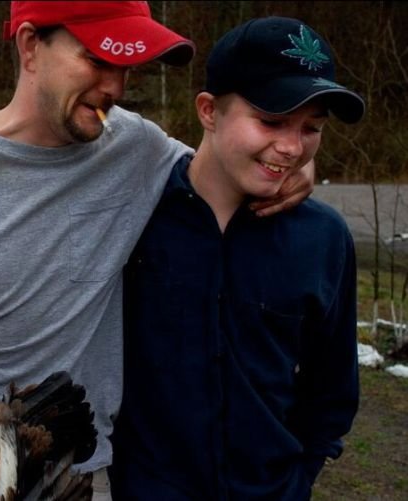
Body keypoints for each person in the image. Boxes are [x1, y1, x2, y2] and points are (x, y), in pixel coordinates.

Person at [0, 3, 313, 497]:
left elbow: (226, 162)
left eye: (125, 67)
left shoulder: (135, 148)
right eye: (97, 60)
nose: (116, 87)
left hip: (76, 475)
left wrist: (289, 166)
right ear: (31, 46)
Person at [110, 16, 363, 500]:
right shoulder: (134, 212)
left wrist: (298, 478)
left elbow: (331, 394)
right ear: (208, 110)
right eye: (271, 120)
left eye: (311, 128)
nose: (291, 147)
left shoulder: (324, 239)